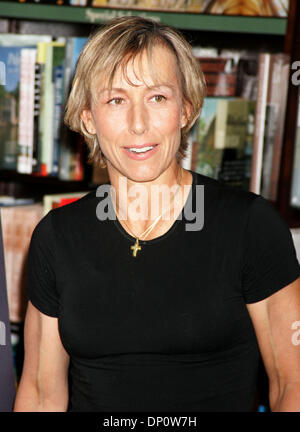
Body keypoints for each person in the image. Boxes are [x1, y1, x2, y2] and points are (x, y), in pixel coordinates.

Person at [14, 16, 300, 412]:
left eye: (157, 98)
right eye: (116, 100)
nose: (138, 124)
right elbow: (42, 395)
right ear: (87, 119)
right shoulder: (57, 237)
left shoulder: (250, 227)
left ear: (185, 110)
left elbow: (292, 385)